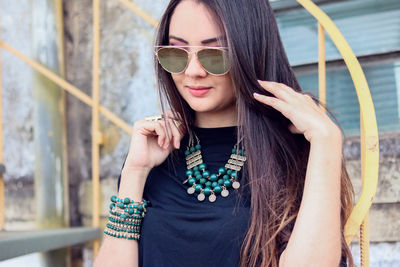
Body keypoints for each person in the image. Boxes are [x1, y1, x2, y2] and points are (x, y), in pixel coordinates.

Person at [94, 0, 355, 266]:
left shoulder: (294, 153)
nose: (193, 71)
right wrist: (134, 173)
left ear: (250, 53)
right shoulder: (155, 153)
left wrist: (326, 141)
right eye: (176, 53)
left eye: (215, 55)